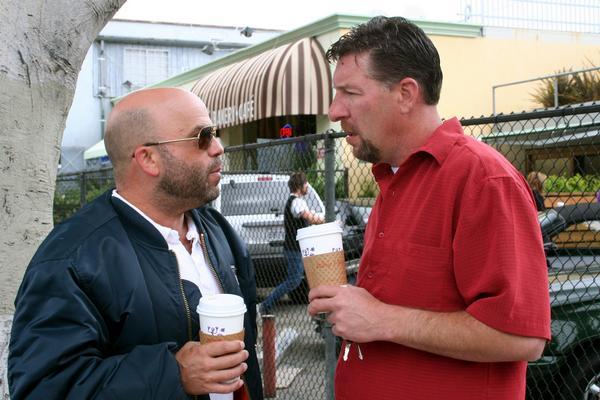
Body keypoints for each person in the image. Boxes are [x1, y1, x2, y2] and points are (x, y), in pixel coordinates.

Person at [307, 16, 551, 400]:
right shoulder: (391, 177)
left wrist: (381, 320)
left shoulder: (482, 179)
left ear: (406, 93)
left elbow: (520, 337)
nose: (335, 110)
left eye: (350, 93)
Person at [8, 88, 263, 400]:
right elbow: (45, 388)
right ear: (148, 158)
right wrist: (174, 374)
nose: (218, 148)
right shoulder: (71, 260)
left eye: (216, 133)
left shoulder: (219, 232)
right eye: (202, 137)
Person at [259, 172, 324, 313]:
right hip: (294, 249)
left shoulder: (296, 201)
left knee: (310, 275)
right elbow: (308, 217)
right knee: (293, 280)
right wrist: (325, 220)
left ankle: (318, 302)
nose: (307, 187)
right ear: (300, 186)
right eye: (306, 184)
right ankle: (265, 304)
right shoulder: (297, 202)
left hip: (298, 248)